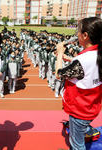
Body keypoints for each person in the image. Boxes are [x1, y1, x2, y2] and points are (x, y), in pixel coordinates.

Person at [55, 17, 102, 150]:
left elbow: (59, 73)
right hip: (92, 106)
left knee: (77, 145)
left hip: (80, 111)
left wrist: (59, 54)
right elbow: (89, 67)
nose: (77, 34)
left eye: (79, 31)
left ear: (85, 35)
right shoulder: (97, 54)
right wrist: (72, 60)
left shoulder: (82, 60)